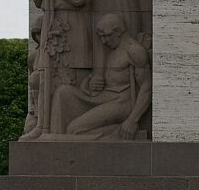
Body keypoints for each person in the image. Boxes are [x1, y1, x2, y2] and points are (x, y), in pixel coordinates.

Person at [53, 12, 151, 140]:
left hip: (122, 102)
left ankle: (115, 132)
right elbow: (110, 80)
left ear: (117, 31)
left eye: (106, 36)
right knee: (63, 92)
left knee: (73, 129)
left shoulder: (134, 51)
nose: (104, 42)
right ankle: (53, 136)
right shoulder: (115, 49)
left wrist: (132, 120)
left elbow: (146, 87)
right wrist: (89, 83)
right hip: (106, 96)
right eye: (101, 37)